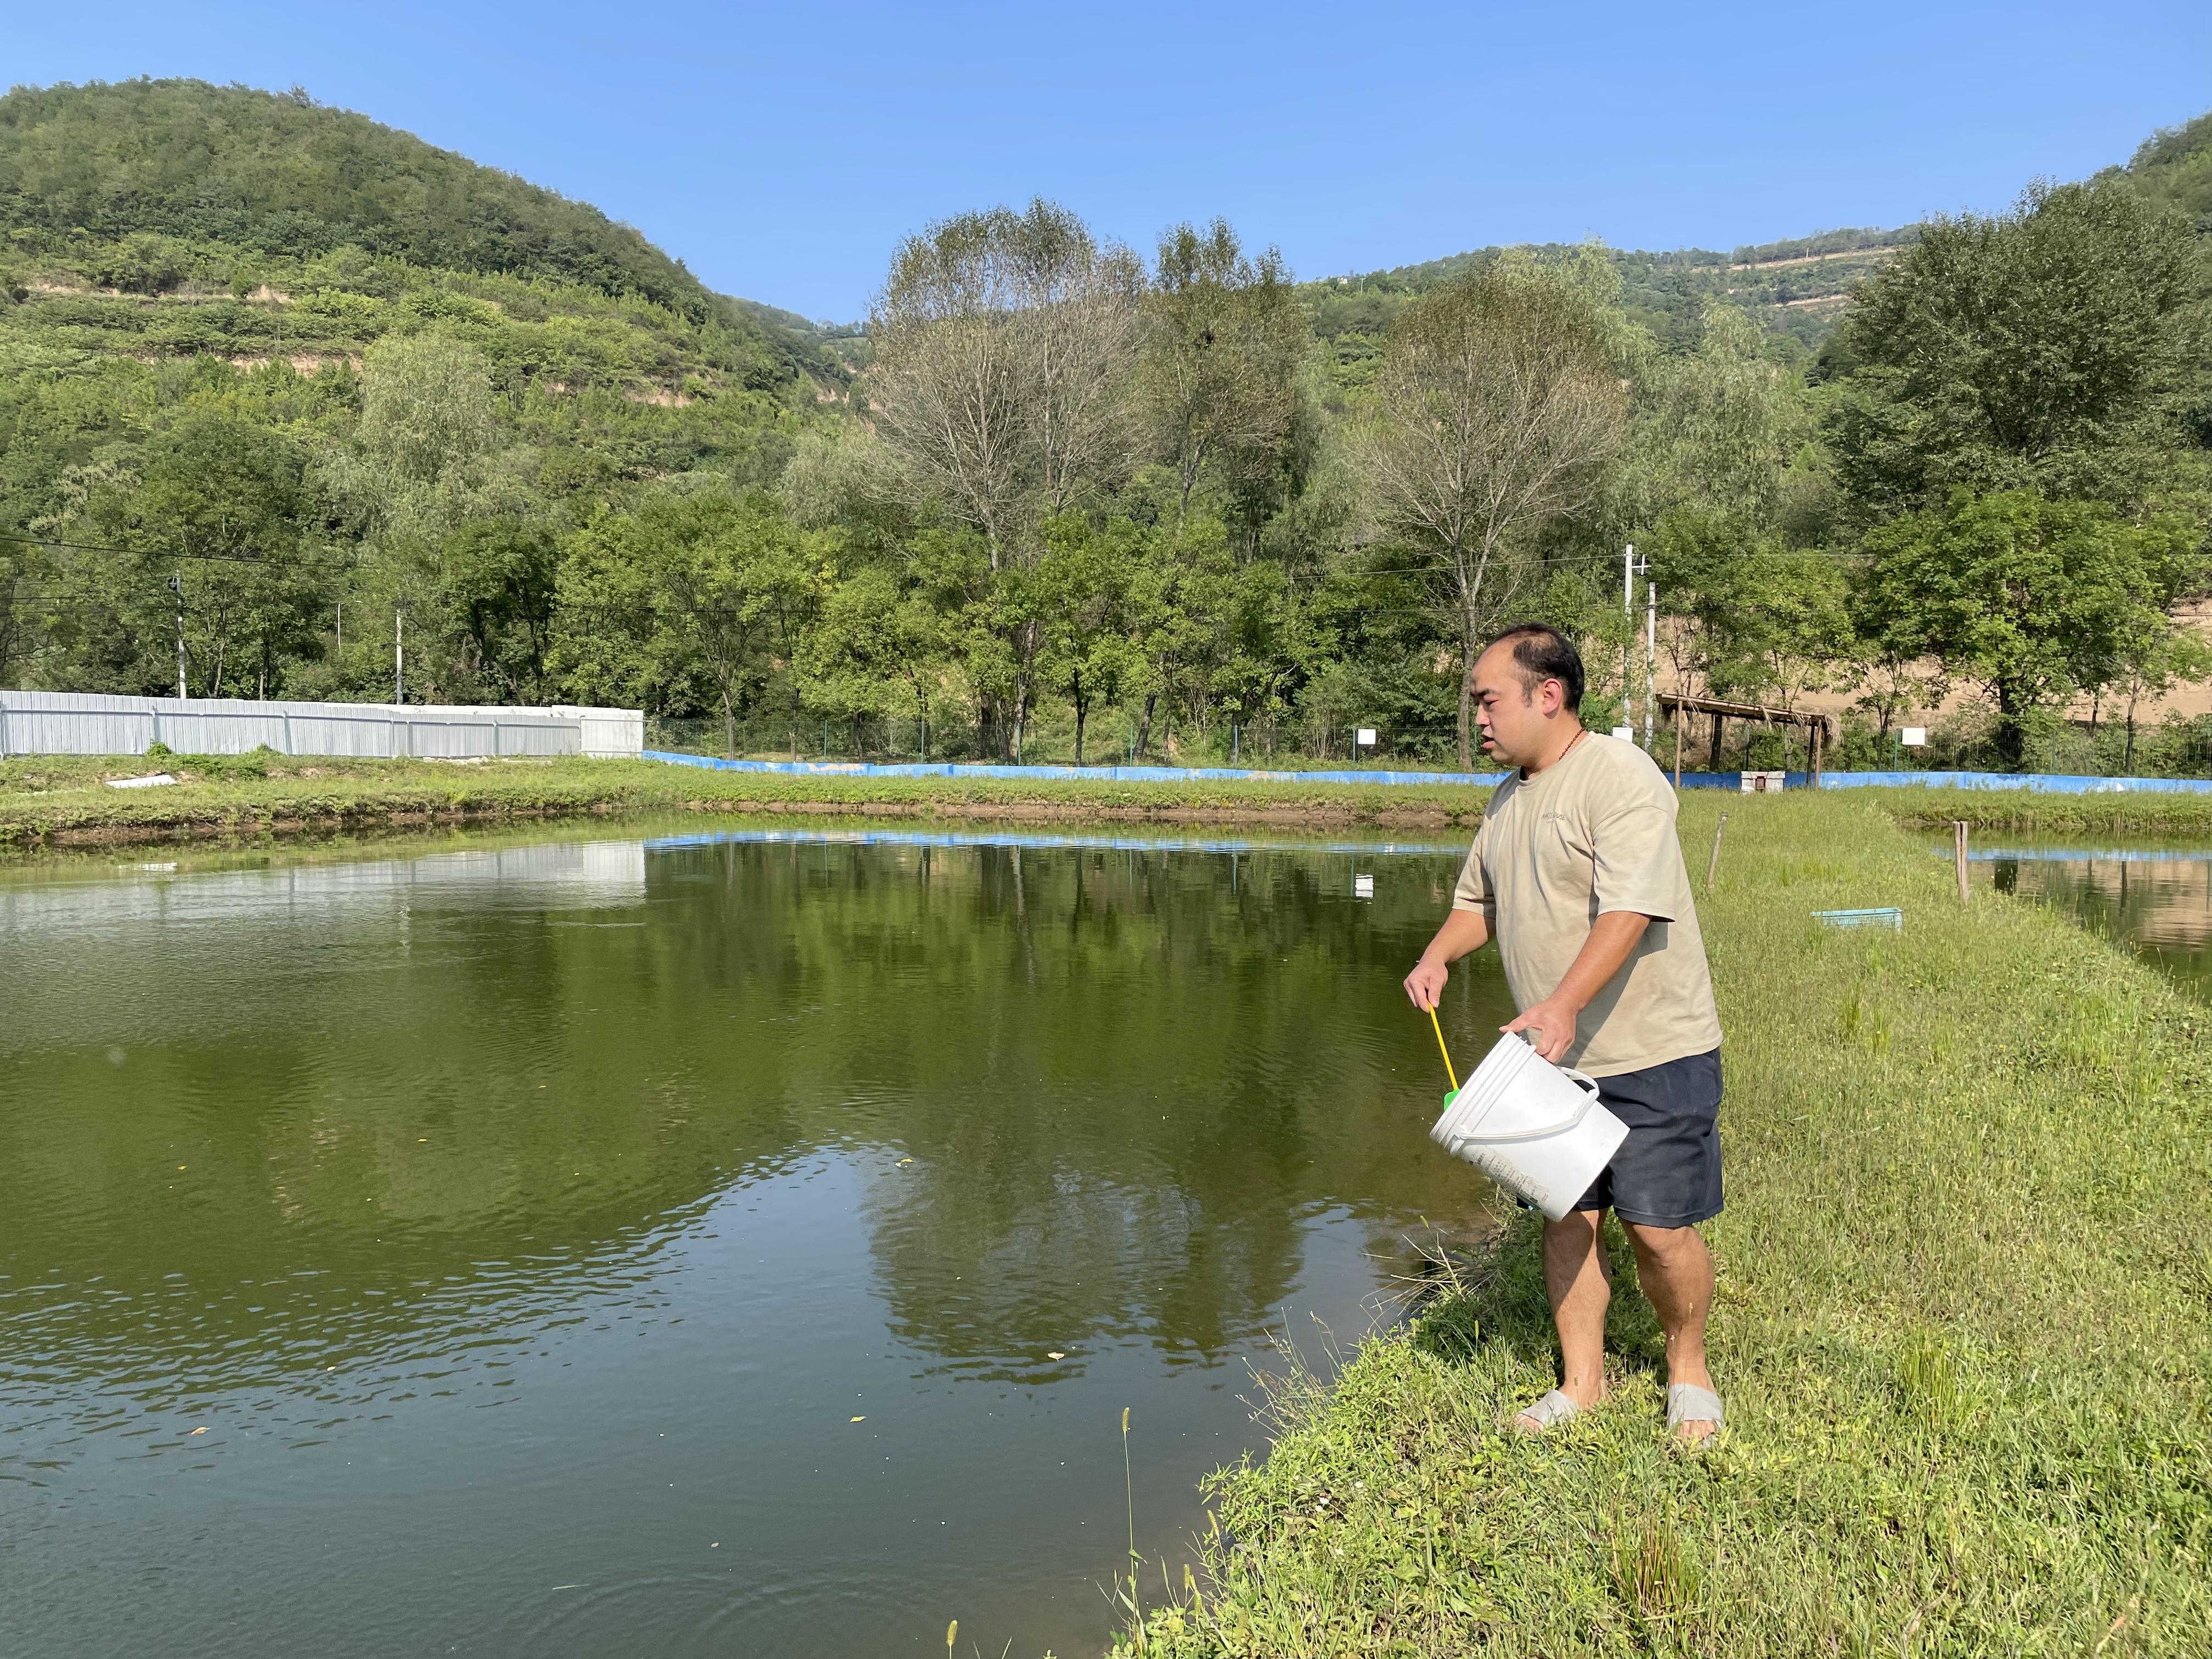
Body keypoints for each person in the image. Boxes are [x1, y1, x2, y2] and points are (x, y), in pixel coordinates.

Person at [1403, 623, 1726, 1444]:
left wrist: (1563, 1002)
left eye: (1488, 699)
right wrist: (1439, 954)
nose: (1478, 716)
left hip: (1653, 1049)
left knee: (1657, 1227)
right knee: (1567, 1217)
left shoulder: (1619, 778)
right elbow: (1478, 905)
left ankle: (1687, 1367)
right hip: (1551, 1059)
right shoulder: (1508, 798)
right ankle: (1582, 1386)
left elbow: (1630, 908)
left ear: (1548, 695)